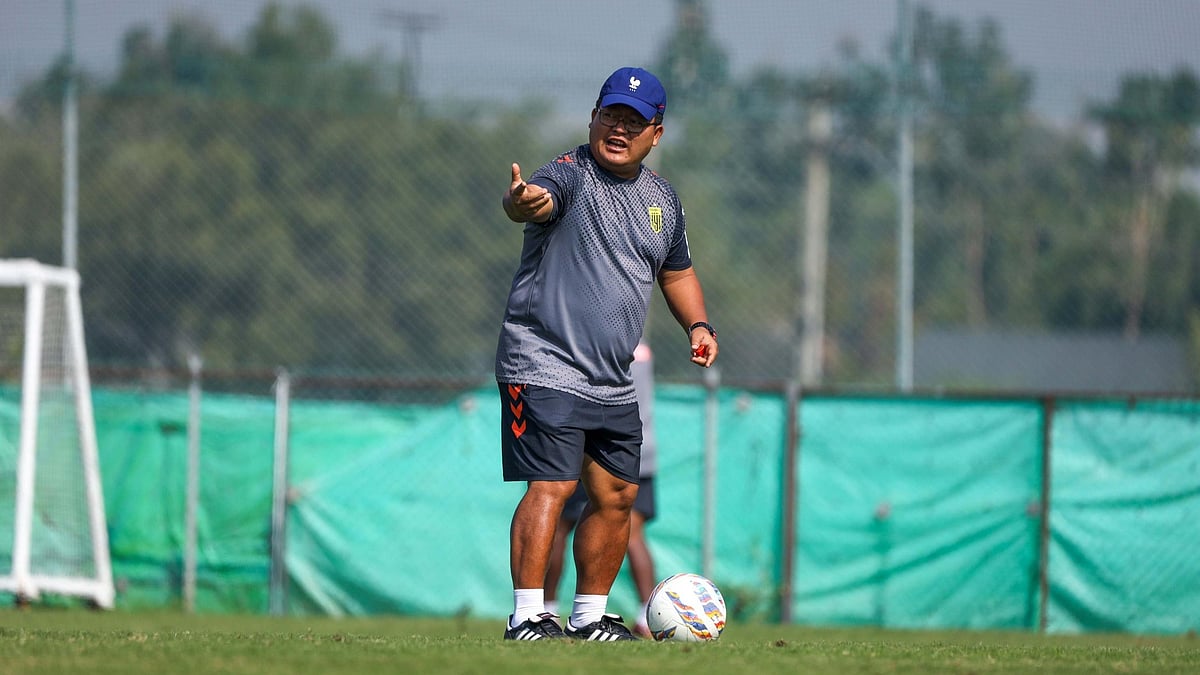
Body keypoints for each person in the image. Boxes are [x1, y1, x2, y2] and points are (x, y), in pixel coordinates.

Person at [496, 66, 718, 641]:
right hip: (543, 362)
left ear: (656, 133)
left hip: (612, 380)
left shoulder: (662, 200)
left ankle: (590, 618)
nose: (619, 129)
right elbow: (537, 202)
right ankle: (527, 615)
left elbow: (678, 272)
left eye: (633, 121)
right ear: (594, 116)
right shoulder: (569, 174)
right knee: (552, 484)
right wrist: (522, 201)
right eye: (611, 115)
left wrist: (697, 322)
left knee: (618, 496)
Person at [544, 340, 659, 638]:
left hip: (597, 449)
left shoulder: (594, 345)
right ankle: (647, 614)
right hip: (638, 451)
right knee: (633, 534)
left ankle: (546, 609)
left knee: (558, 526)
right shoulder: (641, 350)